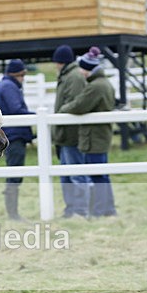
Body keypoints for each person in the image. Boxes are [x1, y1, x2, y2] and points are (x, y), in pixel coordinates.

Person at [59, 47, 117, 217]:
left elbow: (79, 105)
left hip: (94, 137)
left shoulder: (95, 87)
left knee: (97, 175)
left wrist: (63, 109)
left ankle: (100, 211)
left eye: (83, 68)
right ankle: (107, 209)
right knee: (101, 175)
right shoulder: (104, 83)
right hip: (101, 136)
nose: (81, 72)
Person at [51, 45, 91, 218]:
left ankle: (81, 209)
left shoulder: (73, 77)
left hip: (71, 134)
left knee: (76, 174)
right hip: (65, 134)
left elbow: (74, 103)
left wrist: (59, 117)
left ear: (61, 62)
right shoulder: (68, 76)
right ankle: (71, 208)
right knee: (66, 175)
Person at [0, 59, 34, 221]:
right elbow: (17, 109)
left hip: (12, 134)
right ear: (16, 74)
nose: (23, 78)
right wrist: (36, 117)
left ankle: (12, 211)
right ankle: (13, 213)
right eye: (22, 74)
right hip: (15, 135)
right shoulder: (9, 87)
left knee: (14, 172)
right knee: (15, 173)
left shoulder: (5, 85)